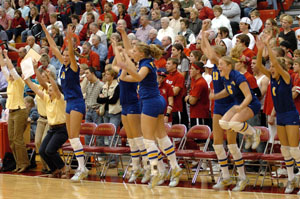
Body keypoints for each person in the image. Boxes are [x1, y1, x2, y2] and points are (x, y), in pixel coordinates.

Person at [117, 27, 182, 188]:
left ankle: (155, 172)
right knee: (161, 136)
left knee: (148, 140)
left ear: (141, 53)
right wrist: (124, 35)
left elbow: (138, 76)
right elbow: (128, 75)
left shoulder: (146, 63)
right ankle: (174, 167)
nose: (132, 52)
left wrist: (126, 62)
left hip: (151, 102)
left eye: (134, 50)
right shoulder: (144, 61)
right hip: (157, 100)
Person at [41, 22, 88, 181]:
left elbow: (69, 51)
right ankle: (82, 167)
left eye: (68, 55)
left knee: (74, 136)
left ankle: (82, 168)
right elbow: (54, 47)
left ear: (73, 56)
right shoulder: (64, 65)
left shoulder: (74, 66)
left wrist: (69, 37)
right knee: (72, 137)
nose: (65, 56)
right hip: (69, 103)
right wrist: (46, 30)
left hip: (77, 103)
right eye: (65, 55)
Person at [256, 34, 300, 194]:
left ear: (279, 68)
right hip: (280, 115)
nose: (271, 69)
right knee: (285, 149)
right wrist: (261, 49)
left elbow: (274, 63)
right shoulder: (272, 78)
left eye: (273, 68)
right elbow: (260, 67)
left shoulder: (287, 77)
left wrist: (269, 44)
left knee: (295, 150)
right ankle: (291, 179)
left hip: (291, 115)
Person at [110, 41, 151, 183]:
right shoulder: (122, 69)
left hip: (134, 105)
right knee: (131, 140)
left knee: (138, 139)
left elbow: (125, 66)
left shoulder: (133, 69)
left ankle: (148, 169)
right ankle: (136, 168)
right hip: (124, 105)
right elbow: (114, 65)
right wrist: (116, 48)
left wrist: (124, 54)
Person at [24, 66, 69, 179]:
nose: (48, 92)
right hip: (52, 129)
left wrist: (50, 77)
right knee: (43, 150)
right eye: (48, 91)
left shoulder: (60, 98)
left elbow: (56, 89)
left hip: (62, 129)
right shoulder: (47, 98)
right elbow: (35, 89)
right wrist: (27, 80)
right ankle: (54, 170)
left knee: (50, 150)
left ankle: (64, 168)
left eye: (50, 90)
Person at [0, 49, 29, 173]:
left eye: (12, 74)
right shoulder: (10, 82)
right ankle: (18, 163)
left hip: (19, 111)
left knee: (18, 139)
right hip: (11, 112)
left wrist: (6, 55)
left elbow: (10, 69)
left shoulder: (19, 82)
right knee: (12, 140)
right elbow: (3, 67)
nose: (9, 75)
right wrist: (0, 54)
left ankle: (24, 163)